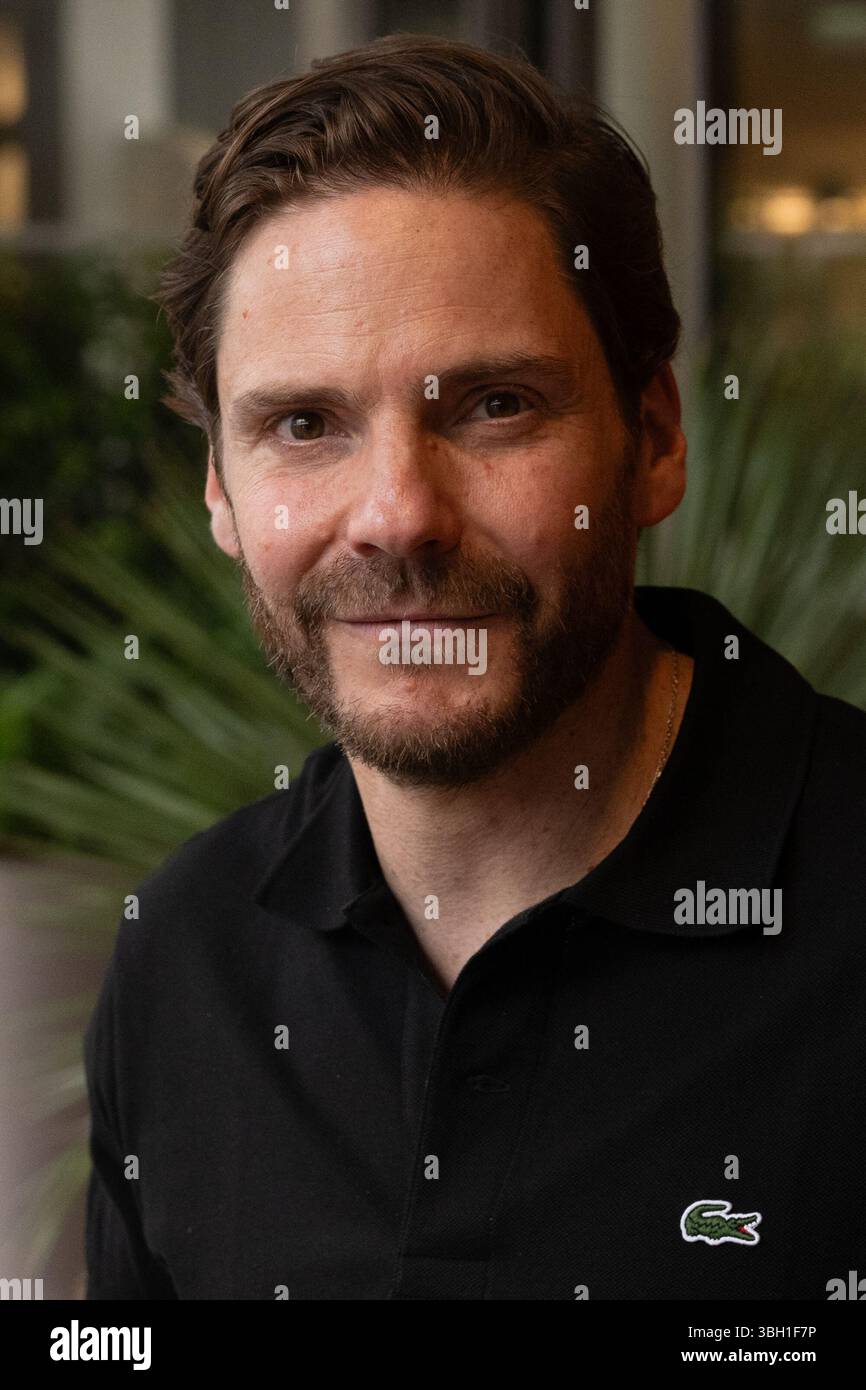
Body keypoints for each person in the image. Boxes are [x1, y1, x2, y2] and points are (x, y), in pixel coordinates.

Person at [84, 33, 866, 1301]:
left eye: (493, 405)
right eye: (302, 424)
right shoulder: (187, 952)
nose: (397, 515)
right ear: (222, 489)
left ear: (651, 441)